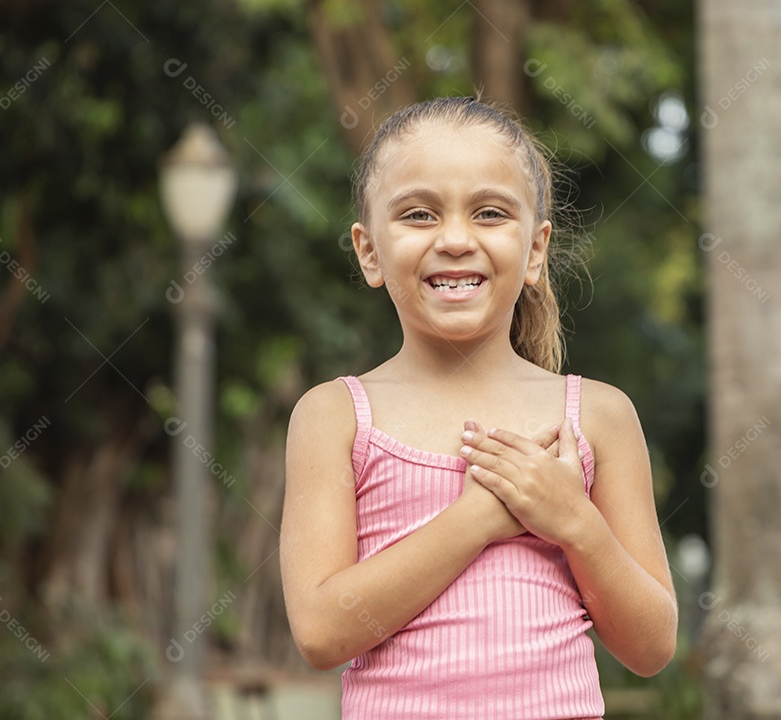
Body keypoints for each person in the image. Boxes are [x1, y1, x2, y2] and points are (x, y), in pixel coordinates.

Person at [280, 96, 677, 719]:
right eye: (418, 214)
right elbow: (322, 632)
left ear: (536, 250)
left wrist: (572, 520)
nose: (456, 239)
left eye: (490, 213)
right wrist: (483, 519)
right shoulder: (336, 416)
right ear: (369, 252)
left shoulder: (597, 417)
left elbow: (652, 645)